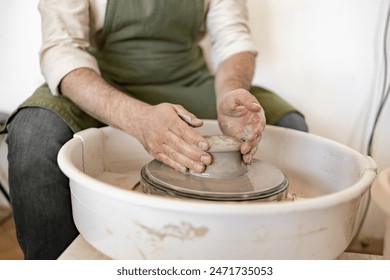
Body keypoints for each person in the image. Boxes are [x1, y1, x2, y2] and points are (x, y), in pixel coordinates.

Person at [0, 0, 308, 259]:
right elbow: (61, 48)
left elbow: (233, 38)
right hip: (102, 81)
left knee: (288, 126)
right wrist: (136, 118)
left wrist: (230, 94)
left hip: (186, 79)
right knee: (33, 134)